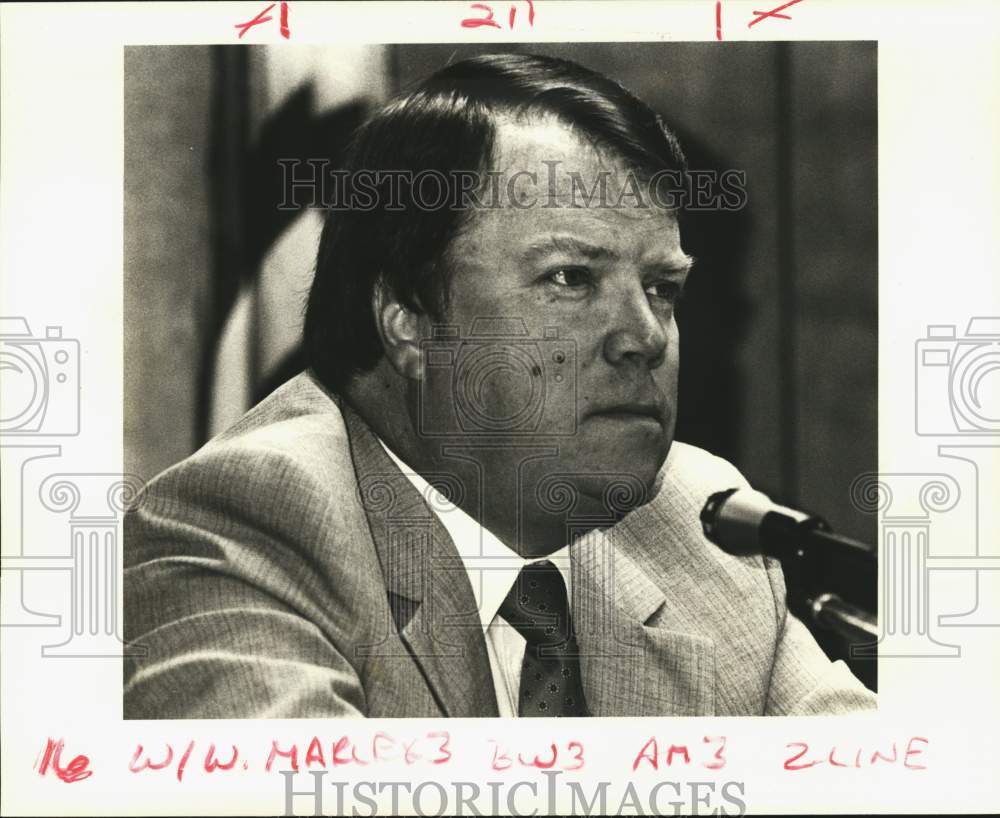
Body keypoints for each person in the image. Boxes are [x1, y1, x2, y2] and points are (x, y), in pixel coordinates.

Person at [124, 53, 876, 718]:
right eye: (570, 279)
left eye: (662, 287)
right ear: (408, 318)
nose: (645, 337)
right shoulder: (248, 527)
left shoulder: (693, 521)